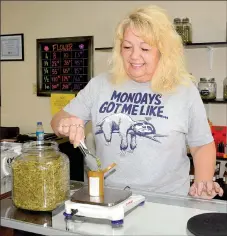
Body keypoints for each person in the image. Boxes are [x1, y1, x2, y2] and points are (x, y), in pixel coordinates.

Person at [51, 5, 224, 199]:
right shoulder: (99, 85)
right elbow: (58, 120)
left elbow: (201, 145)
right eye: (127, 47)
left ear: (163, 51)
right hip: (109, 198)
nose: (134, 56)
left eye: (144, 48)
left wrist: (202, 182)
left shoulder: (184, 90)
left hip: (167, 202)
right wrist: (65, 123)